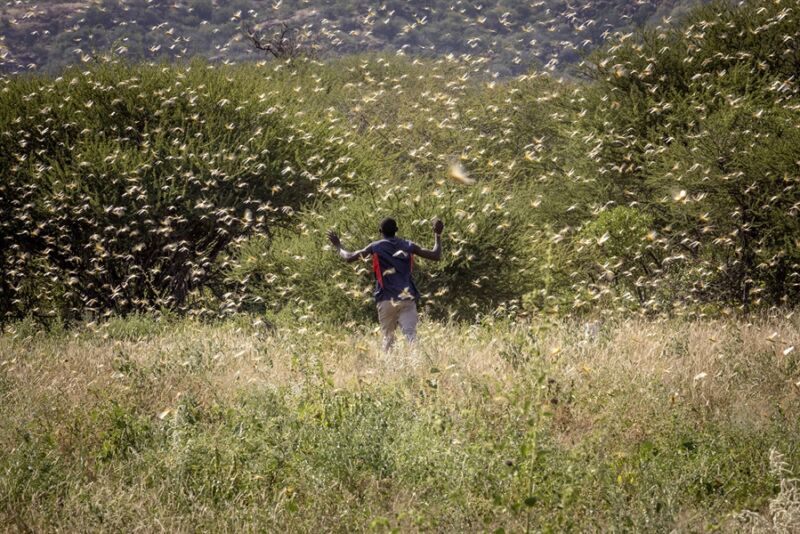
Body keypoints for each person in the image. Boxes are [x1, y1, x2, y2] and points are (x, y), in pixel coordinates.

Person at [327, 217, 444, 351]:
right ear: (397, 230)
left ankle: (389, 368)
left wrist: (338, 245)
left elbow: (349, 257)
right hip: (406, 298)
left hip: (386, 299)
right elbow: (436, 255)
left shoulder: (376, 247)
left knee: (388, 338)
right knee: (411, 335)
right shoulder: (408, 245)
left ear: (380, 231)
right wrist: (438, 235)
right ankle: (416, 364)